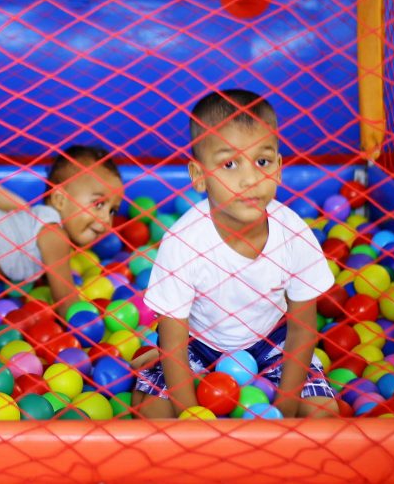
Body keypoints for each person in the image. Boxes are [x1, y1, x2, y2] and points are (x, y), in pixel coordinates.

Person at [134, 89, 337, 418]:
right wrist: (190, 414)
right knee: (150, 412)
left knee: (323, 415)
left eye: (262, 162)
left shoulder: (294, 234)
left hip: (273, 343)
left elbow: (302, 328)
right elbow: (173, 340)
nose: (250, 179)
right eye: (229, 164)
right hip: (197, 346)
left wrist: (284, 407)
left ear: (279, 167)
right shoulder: (183, 241)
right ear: (199, 176)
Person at [0, 145, 124, 315]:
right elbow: (66, 301)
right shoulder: (55, 236)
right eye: (98, 204)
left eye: (112, 211)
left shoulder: (38, 220)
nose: (106, 219)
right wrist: (94, 321)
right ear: (60, 200)